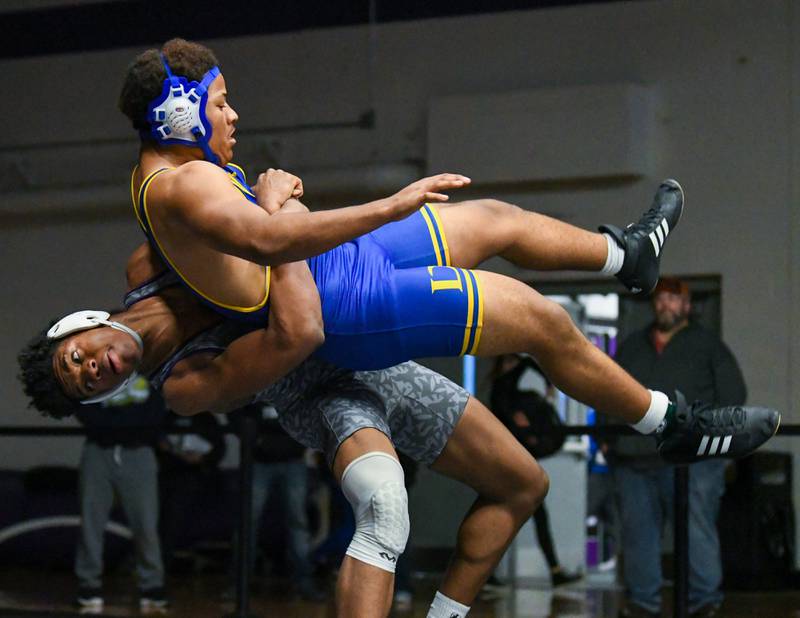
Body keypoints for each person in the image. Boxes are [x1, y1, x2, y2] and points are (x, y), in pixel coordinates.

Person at [607, 277, 747, 618]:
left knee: (696, 529)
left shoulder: (707, 344)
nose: (664, 304)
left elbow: (734, 395)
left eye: (673, 298)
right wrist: (608, 442)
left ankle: (704, 601)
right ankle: (643, 602)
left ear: (687, 306)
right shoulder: (632, 345)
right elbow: (608, 390)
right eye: (660, 298)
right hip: (634, 456)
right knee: (638, 531)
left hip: (692, 458)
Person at [484, 354, 581, 592]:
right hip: (510, 460)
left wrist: (548, 385)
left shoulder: (508, 380)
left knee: (519, 514)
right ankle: (488, 573)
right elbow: (505, 412)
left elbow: (532, 363)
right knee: (507, 515)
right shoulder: (504, 388)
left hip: (514, 457)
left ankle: (552, 571)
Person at [73, 376, 168, 613]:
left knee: (146, 523)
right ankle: (88, 585)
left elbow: (156, 411)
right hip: (98, 449)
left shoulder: (149, 369)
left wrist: (119, 423)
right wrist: (124, 422)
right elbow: (84, 408)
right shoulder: (97, 369)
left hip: (139, 451)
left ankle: (152, 586)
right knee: (91, 521)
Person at [229, 402, 323, 601]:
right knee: (247, 523)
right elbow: (235, 410)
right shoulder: (253, 387)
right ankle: (239, 585)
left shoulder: (294, 387)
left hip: (293, 460)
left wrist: (298, 441)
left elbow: (310, 413)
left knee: (298, 522)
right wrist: (253, 439)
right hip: (259, 460)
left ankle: (304, 581)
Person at [157, 409, 225, 573]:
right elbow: (158, 446)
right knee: (168, 518)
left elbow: (219, 448)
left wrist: (202, 459)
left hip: (201, 476)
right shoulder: (169, 417)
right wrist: (169, 451)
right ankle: (165, 563)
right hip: (171, 476)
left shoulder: (206, 418)